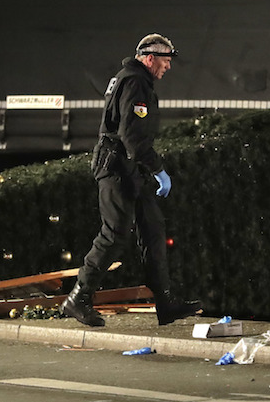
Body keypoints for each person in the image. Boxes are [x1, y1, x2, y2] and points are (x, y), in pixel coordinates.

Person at [62, 33, 202, 327]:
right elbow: (132, 137)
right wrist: (158, 168)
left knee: (153, 230)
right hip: (117, 168)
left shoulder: (134, 79)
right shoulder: (135, 82)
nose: (168, 67)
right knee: (114, 234)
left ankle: (166, 303)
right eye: (165, 61)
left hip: (129, 169)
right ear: (150, 58)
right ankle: (78, 298)